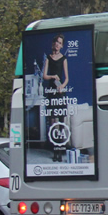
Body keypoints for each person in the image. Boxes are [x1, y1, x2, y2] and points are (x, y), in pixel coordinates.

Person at [42, 34, 70, 162]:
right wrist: (53, 77)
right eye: (56, 42)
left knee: (61, 122)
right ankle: (54, 151)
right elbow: (44, 76)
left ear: (62, 46)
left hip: (60, 93)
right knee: (53, 122)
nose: (57, 45)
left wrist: (62, 86)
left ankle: (61, 149)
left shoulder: (64, 58)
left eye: (60, 43)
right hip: (51, 92)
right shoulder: (48, 58)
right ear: (53, 44)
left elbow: (67, 78)